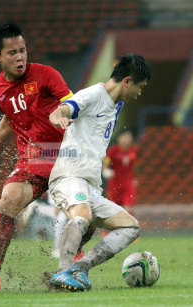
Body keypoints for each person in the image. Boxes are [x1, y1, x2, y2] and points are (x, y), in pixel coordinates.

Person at [0, 21, 75, 292]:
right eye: (12, 52)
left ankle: (72, 270)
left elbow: (73, 104)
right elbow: (10, 117)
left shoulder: (46, 74)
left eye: (23, 50)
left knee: (78, 213)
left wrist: (64, 114)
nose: (20, 57)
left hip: (65, 155)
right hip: (32, 158)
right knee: (7, 201)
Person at [47, 54, 151, 291]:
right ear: (127, 82)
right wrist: (59, 118)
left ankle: (80, 267)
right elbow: (61, 110)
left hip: (91, 185)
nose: (140, 93)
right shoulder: (92, 95)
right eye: (140, 87)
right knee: (81, 216)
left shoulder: (117, 104)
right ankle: (62, 272)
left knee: (130, 227)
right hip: (70, 176)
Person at [103, 130, 138, 209]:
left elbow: (136, 166)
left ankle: (128, 220)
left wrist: (136, 178)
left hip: (128, 181)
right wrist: (105, 170)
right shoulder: (113, 151)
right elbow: (106, 162)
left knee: (129, 205)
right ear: (120, 138)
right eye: (125, 137)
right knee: (113, 206)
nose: (127, 140)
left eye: (129, 137)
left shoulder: (134, 151)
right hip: (115, 182)